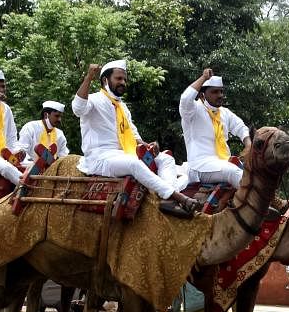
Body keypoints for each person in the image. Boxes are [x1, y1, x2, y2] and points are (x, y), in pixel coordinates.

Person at [72, 60, 196, 216]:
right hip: (100, 158)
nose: (123, 82)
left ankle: (166, 201)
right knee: (133, 163)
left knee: (166, 158)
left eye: (124, 79)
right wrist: (89, 77)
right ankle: (178, 196)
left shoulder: (122, 106)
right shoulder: (94, 99)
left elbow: (132, 133)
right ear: (105, 80)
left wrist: (147, 145)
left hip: (125, 154)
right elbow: (77, 108)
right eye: (118, 79)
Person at [179, 69, 251, 187]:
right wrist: (203, 78)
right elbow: (185, 99)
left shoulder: (224, 112)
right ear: (202, 95)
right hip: (200, 166)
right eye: (215, 92)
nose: (220, 95)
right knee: (233, 172)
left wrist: (248, 144)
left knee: (256, 170)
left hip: (224, 162)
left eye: (221, 92)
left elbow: (240, 127)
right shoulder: (192, 110)